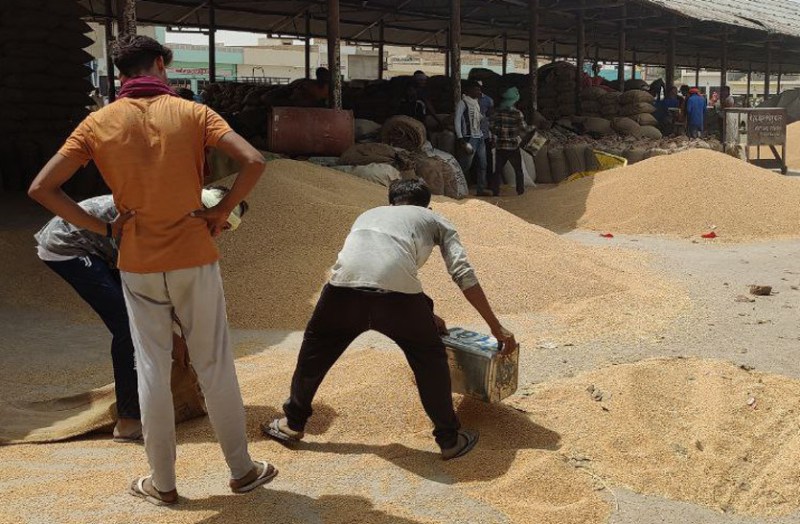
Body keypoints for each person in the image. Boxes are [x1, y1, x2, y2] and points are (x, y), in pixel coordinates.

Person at [28, 34, 275, 506]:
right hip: (194, 256)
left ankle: (163, 484)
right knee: (215, 364)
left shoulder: (96, 123)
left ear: (120, 73)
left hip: (137, 260)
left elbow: (43, 187)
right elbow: (253, 160)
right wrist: (222, 212)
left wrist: (103, 227)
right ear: (161, 64)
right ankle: (242, 471)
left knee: (150, 369)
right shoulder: (194, 113)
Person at [262, 179, 517, 460]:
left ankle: (292, 424)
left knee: (314, 351)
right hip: (399, 300)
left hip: (341, 291)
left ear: (391, 202)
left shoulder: (368, 215)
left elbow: (368, 266)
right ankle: (449, 440)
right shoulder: (435, 219)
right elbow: (462, 273)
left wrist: (426, 313)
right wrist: (496, 326)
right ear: (426, 206)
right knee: (429, 358)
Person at [33, 187, 249, 444]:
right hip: (69, 244)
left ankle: (139, 404)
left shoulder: (182, 225)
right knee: (128, 328)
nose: (217, 234)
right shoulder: (161, 222)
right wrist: (174, 336)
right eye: (218, 225)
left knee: (141, 324)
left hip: (106, 251)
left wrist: (179, 333)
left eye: (225, 230)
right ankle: (128, 421)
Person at [489, 87, 531, 196]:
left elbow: (491, 127)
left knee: (497, 170)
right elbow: (524, 128)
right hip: (513, 146)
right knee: (518, 170)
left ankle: (495, 191)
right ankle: (520, 191)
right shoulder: (518, 113)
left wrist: (500, 132)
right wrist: (532, 128)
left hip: (500, 146)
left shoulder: (497, 113)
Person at [455, 81, 490, 196]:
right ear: (469, 90)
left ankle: (480, 189)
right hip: (469, 138)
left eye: (479, 89)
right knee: (466, 165)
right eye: (476, 89)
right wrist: (461, 139)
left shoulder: (476, 103)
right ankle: (459, 189)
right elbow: (457, 121)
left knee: (483, 164)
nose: (479, 92)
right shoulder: (463, 103)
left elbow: (480, 119)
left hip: (479, 137)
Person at [477, 81, 495, 193]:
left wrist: (492, 135)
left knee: (486, 162)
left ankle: (488, 184)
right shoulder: (466, 101)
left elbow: (491, 118)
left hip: (485, 135)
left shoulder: (488, 100)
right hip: (471, 135)